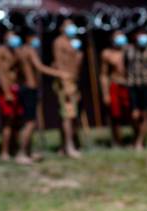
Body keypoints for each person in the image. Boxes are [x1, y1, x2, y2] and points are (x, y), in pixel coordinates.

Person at [16, 28, 70, 164]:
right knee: (30, 123)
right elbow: (39, 67)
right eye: (34, 37)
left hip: (23, 88)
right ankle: (21, 153)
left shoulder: (19, 51)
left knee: (28, 122)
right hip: (30, 89)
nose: (36, 40)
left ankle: (27, 153)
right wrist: (59, 73)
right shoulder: (29, 50)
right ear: (29, 38)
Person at [52, 19, 84, 158]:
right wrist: (65, 84)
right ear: (62, 28)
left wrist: (78, 56)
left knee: (69, 116)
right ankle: (69, 147)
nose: (72, 27)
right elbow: (58, 63)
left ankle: (64, 147)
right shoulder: (59, 42)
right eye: (68, 25)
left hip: (72, 82)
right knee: (68, 116)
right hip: (65, 82)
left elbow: (75, 65)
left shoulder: (73, 43)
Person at [124, 29, 147, 150]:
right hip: (132, 85)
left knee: (145, 114)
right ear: (135, 36)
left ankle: (140, 141)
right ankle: (136, 136)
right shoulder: (128, 50)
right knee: (134, 115)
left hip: (146, 85)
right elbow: (124, 66)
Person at [0, 30, 23, 161]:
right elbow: (0, 72)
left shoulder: (16, 51)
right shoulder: (0, 51)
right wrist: (7, 92)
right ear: (5, 38)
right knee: (8, 122)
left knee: (17, 121)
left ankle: (14, 148)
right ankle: (4, 152)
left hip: (16, 88)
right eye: (10, 36)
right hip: (6, 90)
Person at [100, 30, 130, 146]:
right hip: (115, 85)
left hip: (129, 85)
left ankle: (136, 139)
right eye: (117, 37)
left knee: (133, 114)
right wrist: (105, 93)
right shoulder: (107, 54)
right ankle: (117, 140)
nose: (120, 39)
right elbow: (103, 74)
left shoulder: (130, 52)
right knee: (115, 115)